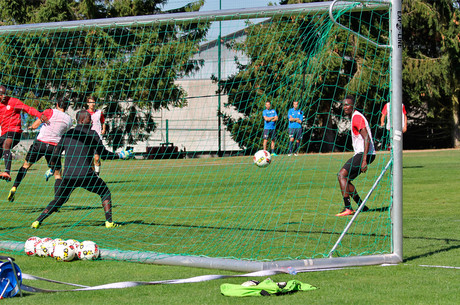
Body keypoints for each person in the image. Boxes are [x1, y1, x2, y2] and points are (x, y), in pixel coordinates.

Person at [31, 110, 132, 229]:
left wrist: (52, 168)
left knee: (59, 200)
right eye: (89, 118)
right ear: (82, 120)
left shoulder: (68, 134)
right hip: (86, 175)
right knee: (105, 192)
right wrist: (120, 155)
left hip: (69, 176)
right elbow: (104, 154)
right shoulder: (92, 134)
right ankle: (109, 222)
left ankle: (37, 221)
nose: (92, 120)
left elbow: (55, 154)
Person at [7, 98, 72, 202]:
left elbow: (35, 124)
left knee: (26, 166)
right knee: (58, 174)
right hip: (54, 147)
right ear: (67, 106)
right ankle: (57, 200)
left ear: (57, 104)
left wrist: (31, 127)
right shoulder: (69, 120)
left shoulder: (50, 111)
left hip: (40, 144)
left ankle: (14, 187)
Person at [336, 95, 376, 216]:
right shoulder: (355, 117)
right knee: (346, 179)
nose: (345, 107)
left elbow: (367, 138)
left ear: (353, 105)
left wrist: (364, 160)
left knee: (341, 175)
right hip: (365, 153)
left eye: (348, 104)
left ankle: (348, 207)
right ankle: (362, 206)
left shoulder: (357, 117)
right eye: (344, 105)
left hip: (364, 153)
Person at [0, 85, 47, 182]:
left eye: (5, 93)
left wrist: (40, 115)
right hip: (4, 132)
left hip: (14, 131)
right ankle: (4, 176)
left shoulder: (13, 101)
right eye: (1, 94)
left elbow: (28, 109)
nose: (4, 96)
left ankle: (7, 171)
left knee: (6, 144)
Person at [86, 96, 106, 175]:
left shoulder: (99, 112)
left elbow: (103, 122)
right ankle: (93, 175)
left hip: (97, 138)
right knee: (90, 160)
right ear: (88, 103)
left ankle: (97, 174)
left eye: (93, 102)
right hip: (88, 138)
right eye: (90, 102)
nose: (92, 104)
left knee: (97, 158)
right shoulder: (86, 113)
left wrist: (103, 129)